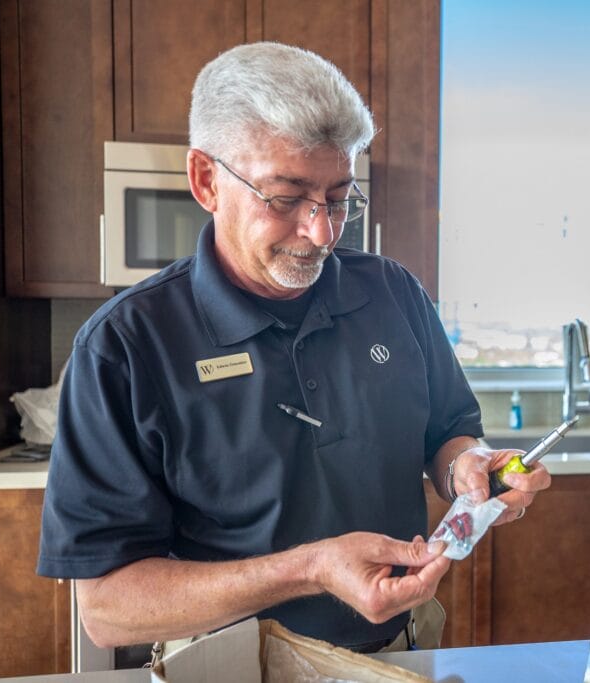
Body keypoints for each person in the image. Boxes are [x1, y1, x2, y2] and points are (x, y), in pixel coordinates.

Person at [37, 42, 549, 654]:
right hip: (225, 666)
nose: (322, 231)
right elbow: (108, 610)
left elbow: (449, 436)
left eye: (338, 198)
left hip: (395, 652)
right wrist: (308, 569)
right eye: (285, 197)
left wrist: (468, 469)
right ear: (206, 180)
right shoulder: (122, 346)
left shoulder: (393, 293)